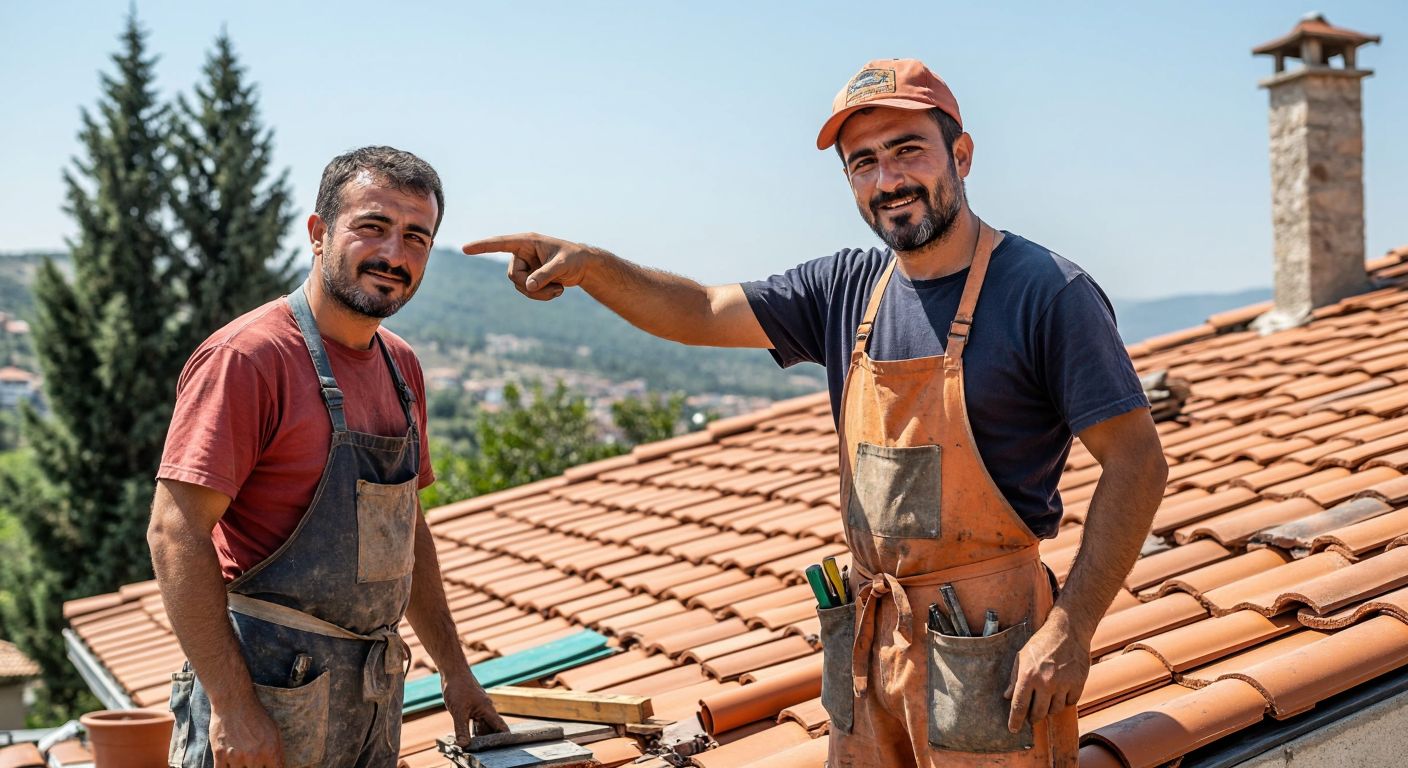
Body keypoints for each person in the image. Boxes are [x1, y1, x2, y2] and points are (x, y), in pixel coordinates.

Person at [463, 60, 1168, 767]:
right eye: (863, 163)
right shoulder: (846, 288)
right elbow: (703, 310)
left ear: (962, 154)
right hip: (867, 647)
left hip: (988, 651)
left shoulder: (1047, 292)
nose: (887, 179)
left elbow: (1137, 460)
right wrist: (590, 267)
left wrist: (1070, 631)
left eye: (907, 151)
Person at [149, 146, 506, 768]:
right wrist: (233, 707)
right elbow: (173, 533)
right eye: (372, 227)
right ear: (318, 233)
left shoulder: (402, 368)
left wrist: (454, 670)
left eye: (416, 237)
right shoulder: (249, 359)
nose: (394, 254)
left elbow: (405, 533)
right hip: (267, 702)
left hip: (370, 702)